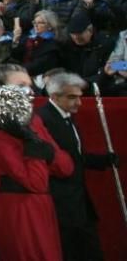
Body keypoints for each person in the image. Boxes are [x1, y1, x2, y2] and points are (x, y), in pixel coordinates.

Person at [0, 65, 72, 261]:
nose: (29, 92)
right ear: (1, 90)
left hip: (42, 207)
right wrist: (38, 149)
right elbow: (36, 182)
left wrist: (46, 152)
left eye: (30, 86)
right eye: (21, 85)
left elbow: (66, 167)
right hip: (17, 212)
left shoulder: (33, 121)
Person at [36, 72, 119, 261]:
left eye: (79, 97)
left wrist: (101, 160)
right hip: (61, 204)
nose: (79, 103)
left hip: (78, 200)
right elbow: (51, 161)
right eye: (72, 97)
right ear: (55, 96)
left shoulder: (67, 116)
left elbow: (75, 156)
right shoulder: (43, 120)